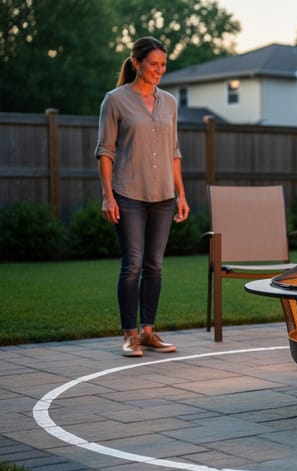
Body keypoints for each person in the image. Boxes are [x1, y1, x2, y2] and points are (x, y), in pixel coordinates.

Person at [95, 36, 189, 357]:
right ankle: (129, 335)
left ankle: (148, 332)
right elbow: (105, 152)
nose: (159, 70)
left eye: (163, 65)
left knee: (155, 266)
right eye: (153, 64)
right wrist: (108, 196)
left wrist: (181, 194)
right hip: (128, 192)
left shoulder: (170, 103)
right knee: (132, 264)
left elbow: (174, 152)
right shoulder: (115, 100)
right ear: (136, 63)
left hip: (163, 195)